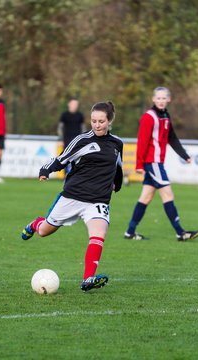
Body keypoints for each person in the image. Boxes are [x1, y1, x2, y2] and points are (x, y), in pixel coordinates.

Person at [22, 101, 123, 291]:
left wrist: (116, 183)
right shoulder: (82, 140)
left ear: (109, 121)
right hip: (73, 196)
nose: (97, 125)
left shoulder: (117, 143)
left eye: (101, 121)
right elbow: (61, 159)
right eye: (94, 121)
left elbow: (117, 166)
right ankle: (35, 223)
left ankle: (87, 279)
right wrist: (46, 170)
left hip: (98, 200)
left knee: (98, 234)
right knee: (44, 231)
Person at [124, 87, 198, 241]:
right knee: (168, 193)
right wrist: (139, 164)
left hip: (157, 163)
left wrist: (184, 155)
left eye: (163, 98)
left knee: (146, 197)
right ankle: (181, 233)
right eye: (158, 98)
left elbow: (171, 137)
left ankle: (130, 232)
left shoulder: (165, 115)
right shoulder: (149, 117)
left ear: (168, 100)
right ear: (153, 99)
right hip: (152, 163)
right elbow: (142, 141)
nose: (160, 101)